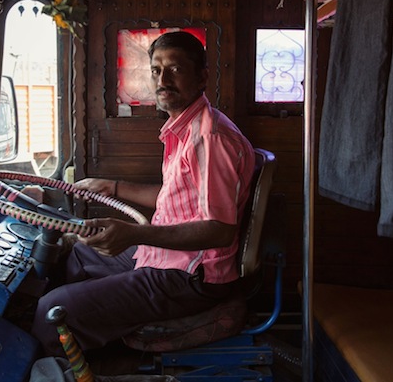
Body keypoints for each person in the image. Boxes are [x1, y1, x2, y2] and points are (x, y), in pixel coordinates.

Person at [31, 31, 256, 357]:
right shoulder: (185, 128)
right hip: (168, 258)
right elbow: (177, 197)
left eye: (175, 69)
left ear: (202, 76)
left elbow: (220, 230)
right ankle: (99, 346)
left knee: (51, 312)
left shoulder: (210, 138)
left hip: (192, 276)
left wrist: (134, 233)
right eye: (156, 70)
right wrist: (113, 187)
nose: (163, 79)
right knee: (79, 254)